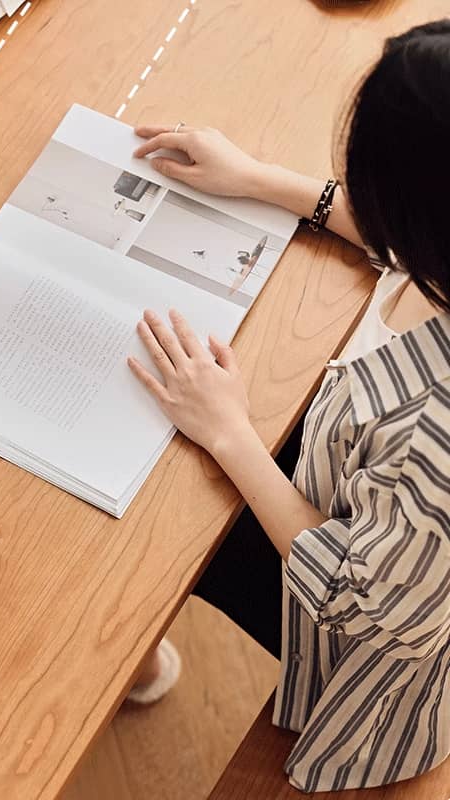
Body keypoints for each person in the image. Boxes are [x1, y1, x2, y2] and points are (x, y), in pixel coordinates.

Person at [124, 20, 450, 793]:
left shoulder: (437, 439)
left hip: (370, 634)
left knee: (156, 514)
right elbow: (402, 239)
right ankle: (138, 655)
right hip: (356, 480)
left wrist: (231, 432)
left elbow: (360, 603)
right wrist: (259, 178)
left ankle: (130, 656)